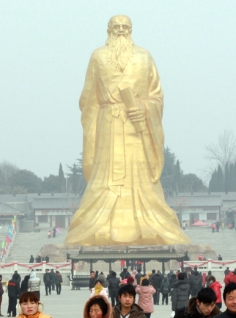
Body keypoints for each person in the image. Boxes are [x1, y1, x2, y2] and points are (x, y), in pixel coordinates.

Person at [65, 14, 190, 246]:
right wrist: (93, 131)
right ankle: (100, 223)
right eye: (116, 26)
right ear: (108, 30)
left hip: (136, 126)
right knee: (107, 177)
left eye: (125, 27)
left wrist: (144, 109)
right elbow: (88, 98)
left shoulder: (144, 57)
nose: (120, 30)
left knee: (140, 177)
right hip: (108, 125)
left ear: (131, 30)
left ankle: (148, 223)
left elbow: (156, 95)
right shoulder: (98, 56)